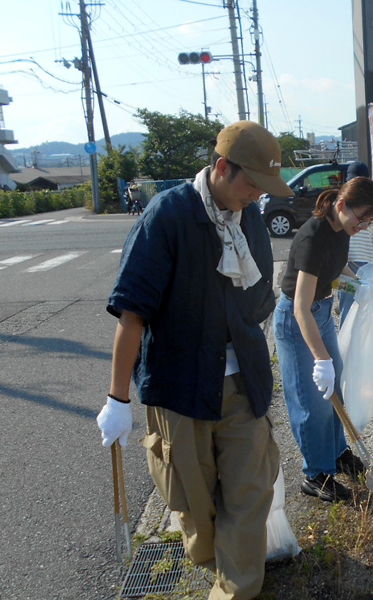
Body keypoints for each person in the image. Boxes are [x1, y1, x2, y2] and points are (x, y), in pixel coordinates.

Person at [96, 120, 293, 600]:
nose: (255, 197)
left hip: (242, 383)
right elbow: (132, 313)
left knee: (250, 497)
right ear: (222, 168)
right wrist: (117, 399)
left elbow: (256, 294)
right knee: (194, 504)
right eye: (251, 184)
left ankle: (235, 589)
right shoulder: (169, 215)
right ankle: (216, 565)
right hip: (180, 387)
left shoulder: (247, 216)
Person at [274, 176, 373, 502]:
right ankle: (315, 474)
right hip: (298, 323)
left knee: (337, 390)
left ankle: (338, 453)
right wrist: (320, 359)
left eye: (370, 221)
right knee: (312, 403)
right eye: (361, 218)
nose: (363, 226)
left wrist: (360, 284)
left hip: (320, 313)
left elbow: (337, 270)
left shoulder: (341, 231)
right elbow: (299, 308)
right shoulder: (314, 237)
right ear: (341, 205)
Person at [336, 161, 373, 327]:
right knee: (347, 306)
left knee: (366, 307)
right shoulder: (343, 205)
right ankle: (345, 345)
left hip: (367, 266)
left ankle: (361, 346)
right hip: (346, 265)